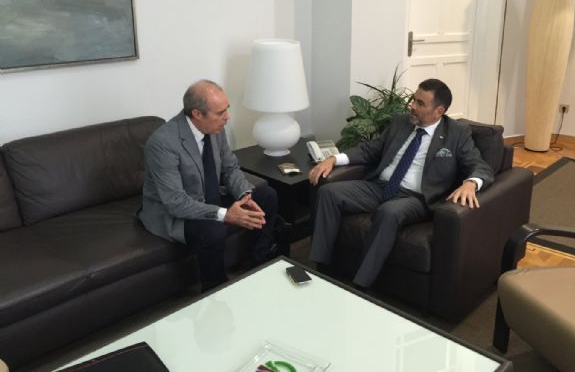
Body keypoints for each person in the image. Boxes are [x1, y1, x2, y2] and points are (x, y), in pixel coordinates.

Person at [308, 78, 494, 289]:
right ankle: (320, 268)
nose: (412, 106)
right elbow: (370, 150)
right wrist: (334, 159)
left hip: (416, 197)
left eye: (420, 103)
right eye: (414, 100)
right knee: (328, 193)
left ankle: (360, 285)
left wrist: (471, 183)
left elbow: (480, 166)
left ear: (439, 111)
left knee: (389, 212)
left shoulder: (457, 133)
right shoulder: (400, 122)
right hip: (379, 187)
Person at [139, 80, 277, 291]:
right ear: (197, 114)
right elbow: (176, 202)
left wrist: (245, 195)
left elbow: (230, 168)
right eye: (221, 113)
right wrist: (226, 214)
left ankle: (258, 264)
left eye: (227, 109)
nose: (227, 117)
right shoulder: (163, 143)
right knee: (213, 231)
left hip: (208, 196)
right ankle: (215, 289)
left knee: (267, 195)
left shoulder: (216, 129)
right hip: (176, 211)